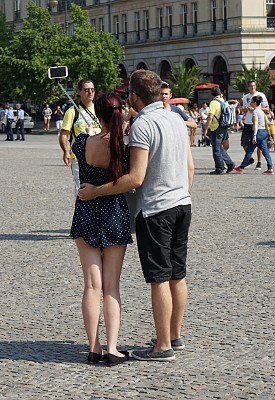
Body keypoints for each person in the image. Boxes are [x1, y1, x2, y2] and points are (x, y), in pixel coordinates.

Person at [78, 69, 194, 362]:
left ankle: (162, 346)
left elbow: (135, 178)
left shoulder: (143, 125)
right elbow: (190, 168)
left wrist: (95, 192)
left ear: (136, 96)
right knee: (178, 274)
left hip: (156, 208)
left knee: (159, 278)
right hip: (183, 203)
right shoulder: (177, 119)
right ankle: (175, 335)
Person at [70, 92, 132, 366]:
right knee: (111, 288)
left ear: (99, 115)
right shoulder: (124, 148)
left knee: (91, 285)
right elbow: (130, 179)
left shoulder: (83, 141)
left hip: (86, 210)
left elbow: (74, 148)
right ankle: (113, 348)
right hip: (114, 212)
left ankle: (93, 347)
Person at [59, 78, 101, 198]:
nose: (90, 92)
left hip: (99, 156)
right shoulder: (72, 111)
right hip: (79, 158)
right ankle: (81, 213)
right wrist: (65, 152)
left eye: (92, 89)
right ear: (79, 91)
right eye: (86, 90)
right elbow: (64, 134)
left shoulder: (99, 109)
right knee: (81, 188)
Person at [233, 95, 274, 174]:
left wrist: (254, 135)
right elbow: (267, 122)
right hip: (263, 131)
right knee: (265, 152)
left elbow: (255, 124)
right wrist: (268, 133)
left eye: (251, 102)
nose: (250, 103)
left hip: (258, 132)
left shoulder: (255, 112)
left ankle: (241, 167)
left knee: (249, 151)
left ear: (255, 103)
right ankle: (270, 168)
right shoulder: (262, 111)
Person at [204, 86, 235, 175]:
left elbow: (210, 117)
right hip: (224, 126)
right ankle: (229, 163)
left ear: (212, 94)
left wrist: (206, 129)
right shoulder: (223, 101)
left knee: (216, 149)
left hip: (216, 127)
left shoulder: (213, 102)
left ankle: (220, 168)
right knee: (220, 147)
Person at [242, 80, 269, 170]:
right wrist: (246, 109)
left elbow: (267, 109)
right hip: (248, 122)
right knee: (244, 143)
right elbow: (243, 110)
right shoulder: (246, 97)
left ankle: (259, 162)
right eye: (250, 86)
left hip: (258, 123)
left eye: (254, 85)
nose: (252, 87)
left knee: (259, 144)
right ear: (248, 87)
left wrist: (255, 108)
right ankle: (250, 159)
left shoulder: (261, 95)